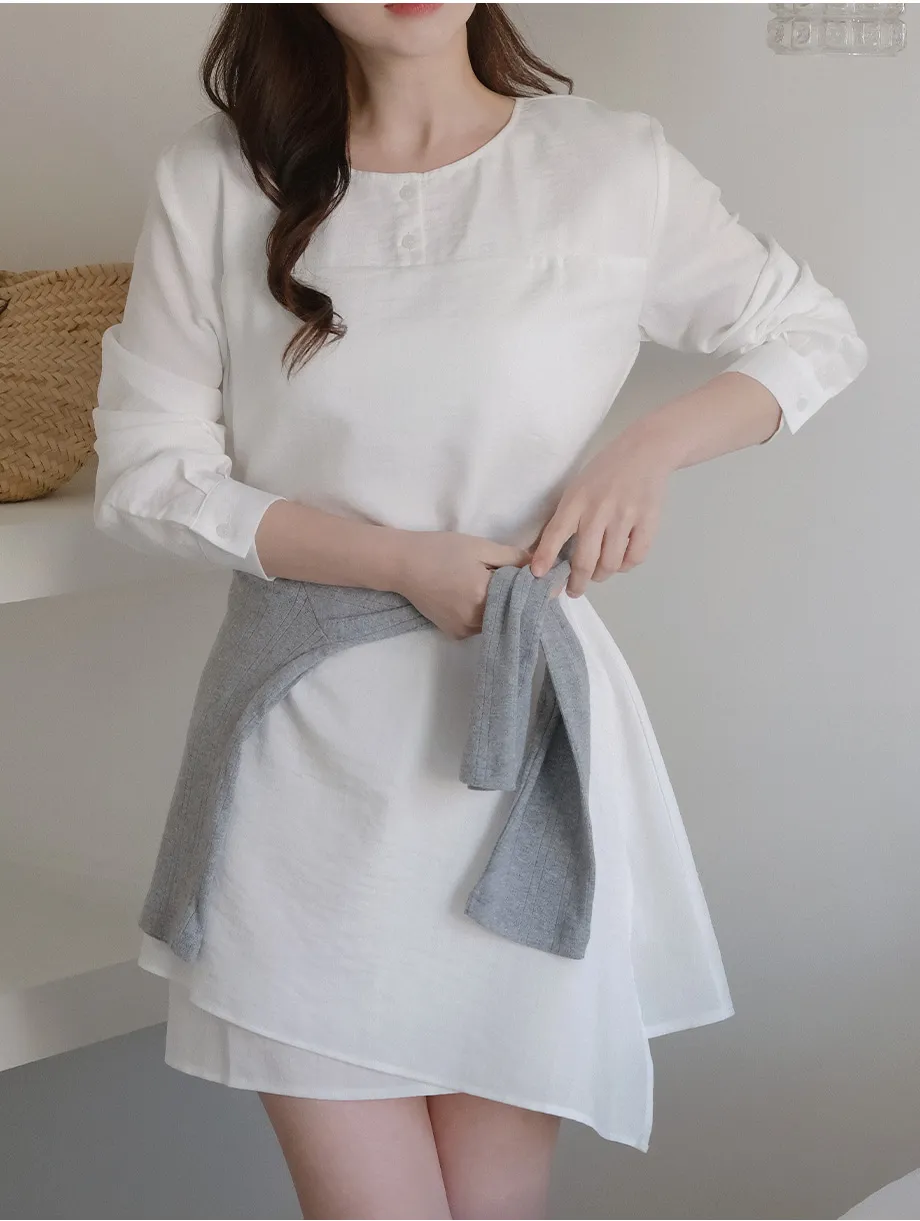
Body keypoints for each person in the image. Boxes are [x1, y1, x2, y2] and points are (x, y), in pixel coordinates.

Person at [92, 3, 868, 1218]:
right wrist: (398, 561)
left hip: (519, 751)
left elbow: (813, 334)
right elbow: (146, 476)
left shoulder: (607, 163)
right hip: (303, 766)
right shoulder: (219, 175)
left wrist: (648, 448)